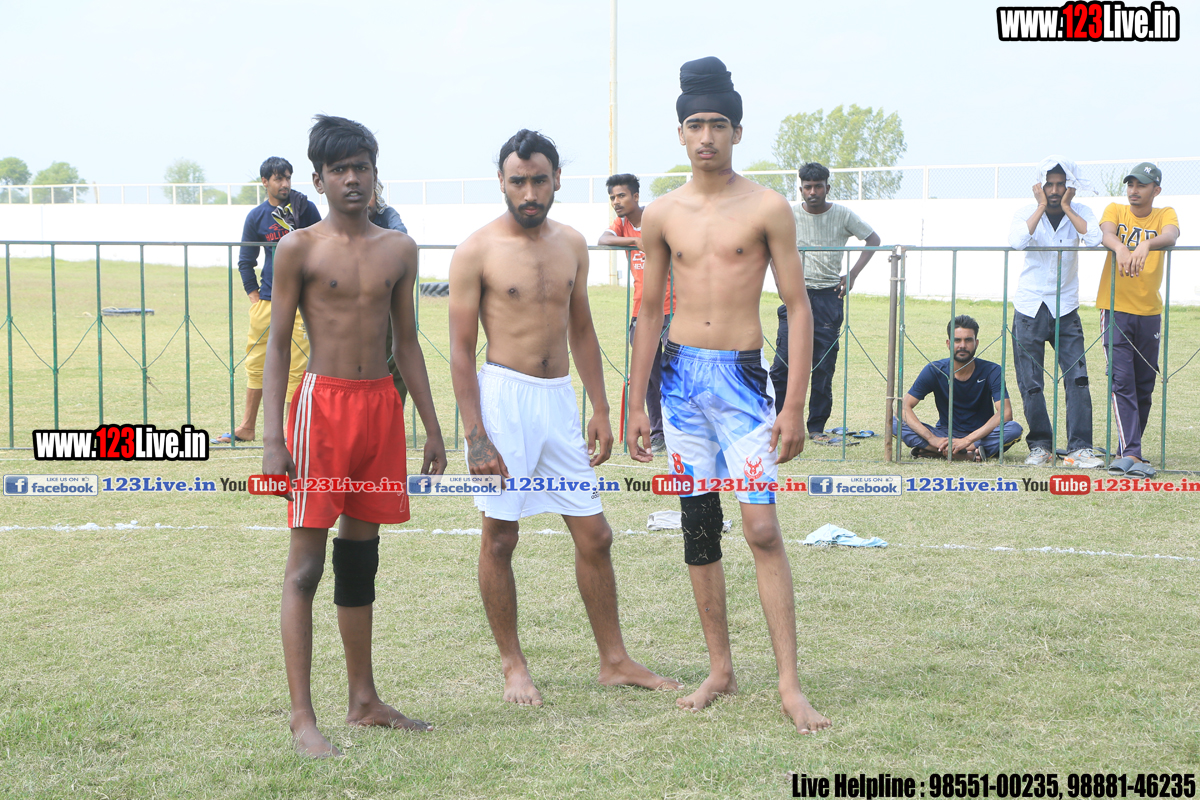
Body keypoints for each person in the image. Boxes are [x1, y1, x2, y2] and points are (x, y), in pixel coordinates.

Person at [626, 56, 829, 735]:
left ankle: (790, 684)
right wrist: (637, 402)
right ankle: (720, 669)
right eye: (695, 125)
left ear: (737, 131)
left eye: (717, 124)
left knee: (762, 528)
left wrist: (794, 404)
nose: (706, 136)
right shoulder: (662, 213)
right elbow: (649, 309)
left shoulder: (767, 207)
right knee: (699, 525)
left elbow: (798, 306)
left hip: (743, 380)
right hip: (681, 382)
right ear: (681, 132)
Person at [449, 129, 679, 707]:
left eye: (539, 180)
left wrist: (600, 407)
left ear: (557, 180)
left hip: (558, 401)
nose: (529, 192)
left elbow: (581, 328)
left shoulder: (573, 243)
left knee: (595, 534)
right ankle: (513, 664)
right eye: (518, 181)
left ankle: (614, 660)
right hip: (503, 402)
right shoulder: (475, 250)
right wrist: (475, 435)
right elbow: (459, 350)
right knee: (501, 537)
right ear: (501, 181)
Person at [262, 115, 447, 758]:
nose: (351, 179)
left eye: (361, 167)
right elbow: (279, 343)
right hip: (322, 410)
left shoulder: (400, 249)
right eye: (338, 169)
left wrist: (431, 425)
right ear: (318, 180)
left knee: (360, 558)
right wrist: (272, 439)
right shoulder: (300, 248)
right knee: (305, 567)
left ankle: (364, 700)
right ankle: (302, 717)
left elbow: (407, 342)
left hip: (380, 410)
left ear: (375, 173)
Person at [769, 161, 881, 437]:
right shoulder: (789, 215)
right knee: (782, 364)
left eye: (818, 186)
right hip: (796, 294)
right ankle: (777, 423)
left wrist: (852, 274)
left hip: (829, 296)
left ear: (827, 188)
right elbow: (769, 247)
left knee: (823, 365)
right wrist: (780, 282)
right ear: (800, 189)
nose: (813, 192)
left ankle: (816, 427)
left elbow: (873, 239)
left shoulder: (842, 215)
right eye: (807, 187)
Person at [217, 157, 321, 444]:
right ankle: (247, 427)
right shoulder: (256, 217)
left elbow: (324, 248)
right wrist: (255, 296)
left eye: (288, 177)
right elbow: (245, 260)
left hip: (301, 304)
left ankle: (289, 433)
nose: (285, 183)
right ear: (265, 182)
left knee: (296, 368)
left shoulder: (306, 209)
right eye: (278, 178)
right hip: (267, 302)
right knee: (256, 364)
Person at [1008, 157, 1103, 468]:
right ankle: (1041, 447)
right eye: (1049, 184)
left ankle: (1080, 449)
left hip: (1066, 308)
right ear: (1039, 185)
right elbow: (1017, 242)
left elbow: (1094, 239)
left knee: (1078, 378)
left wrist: (1068, 207)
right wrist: (1039, 207)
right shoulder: (1026, 212)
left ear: (1069, 186)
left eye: (1060, 184)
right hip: (1030, 307)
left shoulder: (1080, 211)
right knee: (1031, 381)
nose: (1054, 190)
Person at [1096, 162, 1180, 477]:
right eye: (1130, 184)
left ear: (1155, 190)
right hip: (1115, 309)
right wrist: (1121, 247)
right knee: (1122, 381)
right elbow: (1106, 233)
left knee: (1144, 385)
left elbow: (1171, 235)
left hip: (1149, 312)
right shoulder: (1116, 209)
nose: (1133, 191)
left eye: (1141, 185)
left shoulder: (1165, 214)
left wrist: (1146, 243)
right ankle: (1132, 452)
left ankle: (1127, 448)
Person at [598, 173, 674, 454]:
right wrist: (634, 242)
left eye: (621, 196)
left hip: (672, 309)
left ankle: (681, 430)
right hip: (640, 312)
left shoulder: (656, 218)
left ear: (636, 196)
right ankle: (658, 433)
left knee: (677, 373)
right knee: (649, 377)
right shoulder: (622, 225)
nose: (616, 202)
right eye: (612, 197)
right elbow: (603, 239)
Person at [896, 315, 1023, 460]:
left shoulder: (992, 370)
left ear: (976, 343)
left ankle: (936, 451)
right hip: (945, 435)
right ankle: (967, 455)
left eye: (968, 340)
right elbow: (903, 407)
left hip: (980, 435)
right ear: (948, 343)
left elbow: (1005, 413)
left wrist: (967, 440)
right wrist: (932, 439)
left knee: (1013, 429)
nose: (962, 345)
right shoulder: (934, 370)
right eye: (957, 340)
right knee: (894, 422)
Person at [369, 178, 409, 405]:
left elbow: (401, 236)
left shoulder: (387, 215)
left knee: (396, 358)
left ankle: (393, 411)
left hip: (388, 300)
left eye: (370, 194)